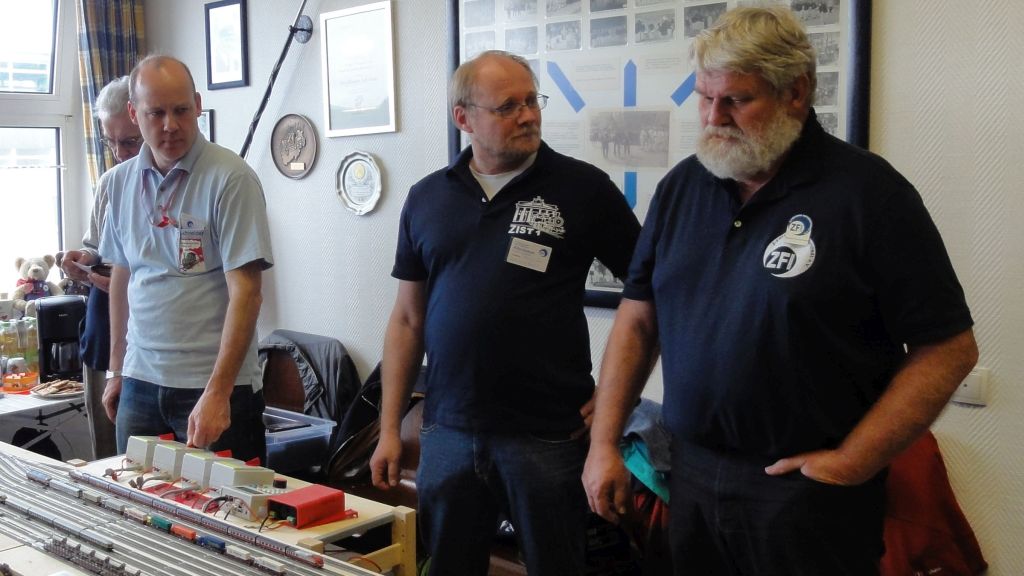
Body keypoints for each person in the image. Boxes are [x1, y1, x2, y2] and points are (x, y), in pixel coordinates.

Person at [582, 6, 978, 576]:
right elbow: (638, 320)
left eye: (736, 100)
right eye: (704, 97)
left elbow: (949, 349)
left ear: (795, 92)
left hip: (805, 494)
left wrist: (852, 462)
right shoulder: (683, 187)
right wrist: (604, 443)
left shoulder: (870, 195)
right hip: (690, 476)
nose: (713, 117)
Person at [369, 50, 640, 575]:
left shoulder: (582, 189)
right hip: (448, 429)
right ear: (463, 118)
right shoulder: (428, 197)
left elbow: (650, 296)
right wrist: (388, 428)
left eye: (532, 101)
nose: (528, 115)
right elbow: (406, 320)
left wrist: (613, 399)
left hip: (547, 435)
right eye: (508, 106)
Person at [99, 55, 273, 462]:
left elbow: (247, 293)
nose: (170, 125)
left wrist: (218, 391)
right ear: (134, 114)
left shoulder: (231, 178)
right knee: (136, 499)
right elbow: (122, 278)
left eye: (180, 110)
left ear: (197, 105)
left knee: (224, 504)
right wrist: (116, 369)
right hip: (140, 382)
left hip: (212, 385)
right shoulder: (118, 184)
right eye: (156, 113)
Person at [59, 76, 142, 460]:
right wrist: (82, 260)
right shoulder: (110, 182)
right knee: (107, 455)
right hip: (102, 328)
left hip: (147, 336)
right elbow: (97, 247)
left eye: (130, 142)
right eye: (111, 142)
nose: (119, 153)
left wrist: (123, 283)